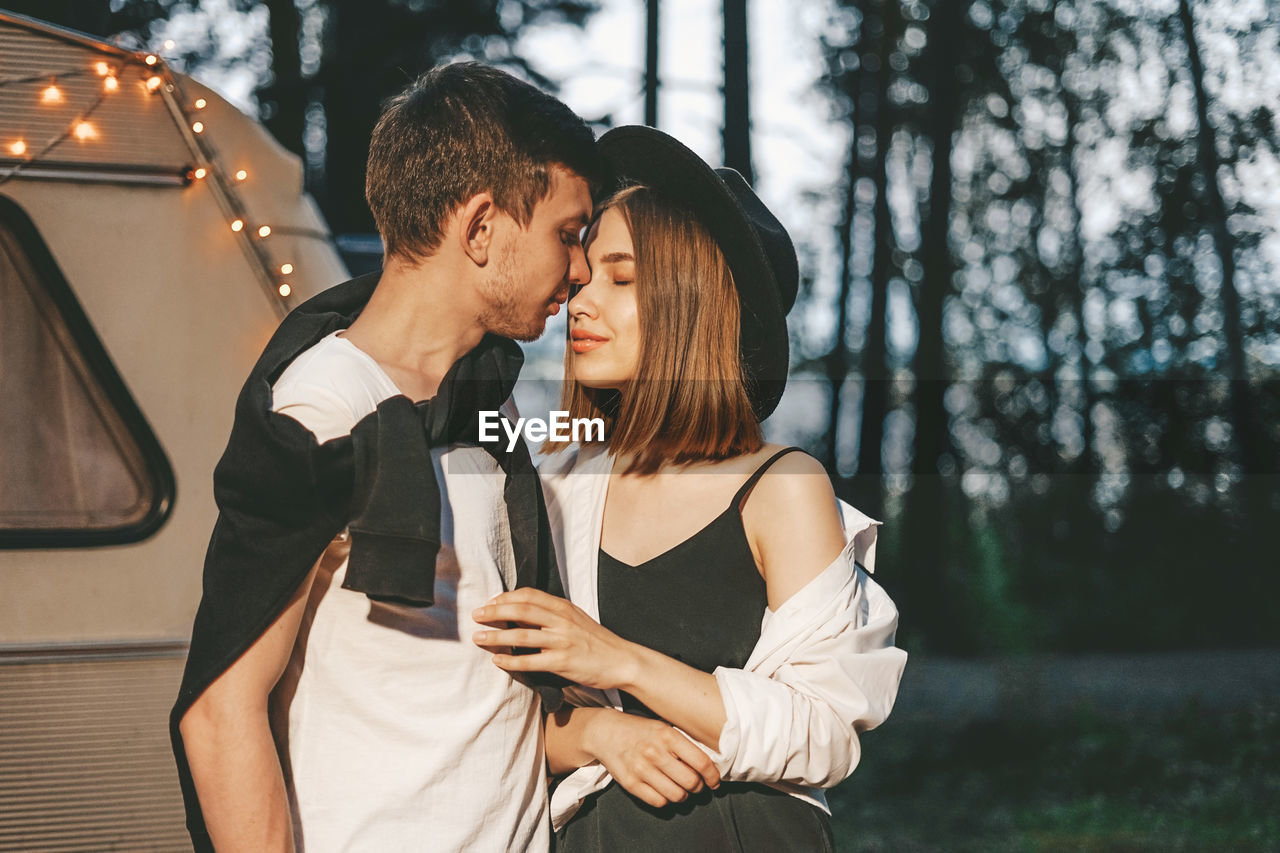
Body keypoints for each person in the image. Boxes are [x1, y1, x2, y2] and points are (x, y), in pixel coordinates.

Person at [170, 63, 601, 853]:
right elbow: (219, 707)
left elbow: (473, 687)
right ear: (479, 228)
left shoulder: (482, 404)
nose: (579, 271)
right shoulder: (325, 408)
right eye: (567, 235)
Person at [472, 126, 908, 851]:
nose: (580, 303)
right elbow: (488, 712)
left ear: (692, 303)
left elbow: (827, 732)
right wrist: (600, 732)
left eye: (622, 278)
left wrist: (621, 660)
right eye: (582, 280)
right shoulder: (553, 480)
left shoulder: (781, 486)